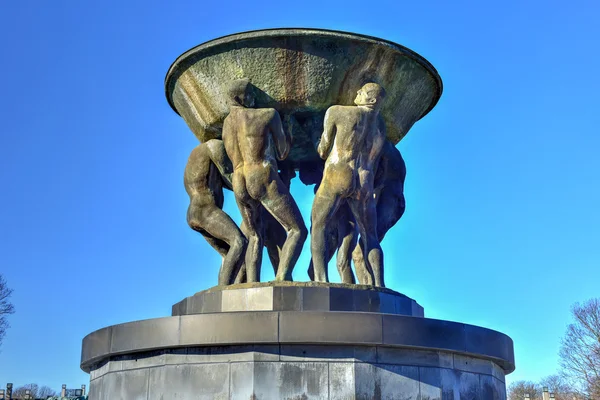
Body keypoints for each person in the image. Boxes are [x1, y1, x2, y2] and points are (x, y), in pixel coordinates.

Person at [222, 79, 307, 282]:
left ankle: (252, 284)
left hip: (238, 181)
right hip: (261, 174)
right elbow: (283, 152)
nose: (253, 98)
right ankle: (283, 277)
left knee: (254, 236)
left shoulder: (226, 125)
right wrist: (288, 130)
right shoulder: (268, 115)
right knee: (297, 230)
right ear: (238, 98)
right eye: (249, 94)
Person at [310, 82, 387, 286]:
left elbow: (323, 149)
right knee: (370, 234)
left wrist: (311, 136)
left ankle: (321, 280)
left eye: (360, 92)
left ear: (370, 100)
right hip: (364, 179)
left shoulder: (338, 111)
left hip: (339, 171)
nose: (356, 93)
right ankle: (379, 285)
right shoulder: (381, 126)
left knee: (318, 224)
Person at [184, 139, 247, 286]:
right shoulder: (214, 146)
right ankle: (223, 291)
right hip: (206, 209)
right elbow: (231, 178)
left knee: (230, 255)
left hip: (193, 212)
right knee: (239, 242)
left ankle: (224, 292)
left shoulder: (194, 156)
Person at [353, 140, 406, 284]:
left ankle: (376, 286)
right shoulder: (393, 151)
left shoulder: (378, 146)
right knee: (365, 244)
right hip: (395, 200)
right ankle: (372, 286)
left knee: (366, 243)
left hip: (388, 198)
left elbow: (376, 176)